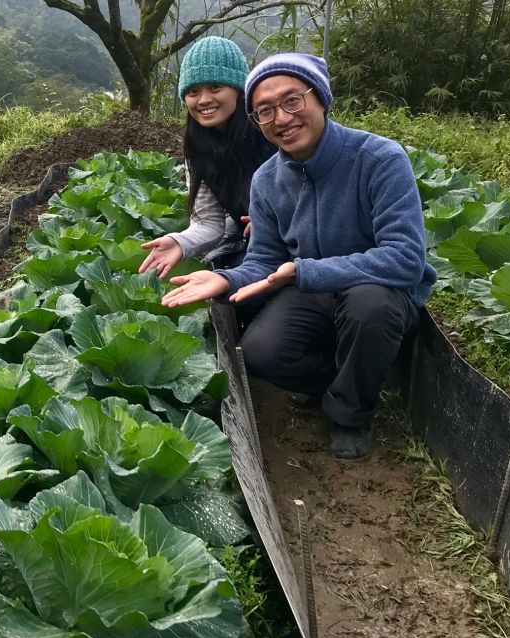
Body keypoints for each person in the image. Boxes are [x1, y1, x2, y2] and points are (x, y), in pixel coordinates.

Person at [161, 52, 435, 460]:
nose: (282, 118)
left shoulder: (379, 159)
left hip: (378, 290)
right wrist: (228, 279)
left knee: (368, 305)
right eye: (265, 111)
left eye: (293, 101)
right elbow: (263, 259)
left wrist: (304, 270)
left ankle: (350, 415)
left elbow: (406, 258)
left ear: (320, 99)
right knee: (260, 351)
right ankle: (341, 380)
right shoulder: (269, 181)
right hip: (313, 289)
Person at [139, 36, 275, 279]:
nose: (203, 100)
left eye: (215, 87)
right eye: (193, 91)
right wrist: (179, 242)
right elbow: (209, 223)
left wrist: (276, 220)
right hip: (251, 244)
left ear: (238, 90)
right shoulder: (197, 147)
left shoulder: (270, 132)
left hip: (300, 241)